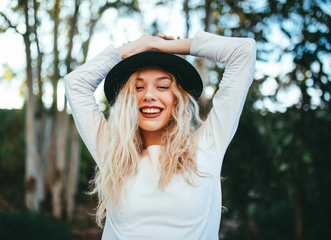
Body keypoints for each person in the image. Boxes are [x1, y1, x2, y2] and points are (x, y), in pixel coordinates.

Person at [64, 30, 256, 240]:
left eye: (163, 86)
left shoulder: (207, 146)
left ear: (177, 99)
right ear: (127, 100)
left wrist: (160, 47)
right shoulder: (113, 153)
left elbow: (242, 51)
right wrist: (138, 44)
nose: (149, 96)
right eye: (138, 87)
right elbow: (76, 84)